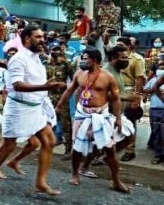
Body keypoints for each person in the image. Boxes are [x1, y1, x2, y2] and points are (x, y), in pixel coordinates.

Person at [0, 25, 66, 195]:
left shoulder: (36, 58)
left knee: (49, 141)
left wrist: (49, 86)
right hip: (19, 108)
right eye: (38, 37)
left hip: (36, 108)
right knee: (9, 144)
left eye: (43, 36)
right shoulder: (18, 59)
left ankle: (40, 182)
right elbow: (17, 85)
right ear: (27, 39)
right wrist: (44, 86)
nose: (42, 40)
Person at [56, 47, 135, 191]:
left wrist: (117, 118)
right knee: (77, 148)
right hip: (82, 114)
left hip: (100, 115)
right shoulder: (79, 73)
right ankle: (75, 174)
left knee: (110, 149)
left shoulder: (107, 77)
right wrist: (59, 106)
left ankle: (116, 181)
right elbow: (69, 90)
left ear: (95, 60)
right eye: (83, 58)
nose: (83, 61)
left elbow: (116, 99)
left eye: (86, 58)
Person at [115, 37, 145, 161]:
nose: (117, 47)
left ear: (128, 46)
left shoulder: (137, 59)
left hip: (128, 91)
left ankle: (130, 150)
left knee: (129, 121)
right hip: (116, 92)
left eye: (120, 45)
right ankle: (116, 145)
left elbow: (140, 79)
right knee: (115, 120)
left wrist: (136, 99)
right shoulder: (115, 58)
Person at [45, 44, 74, 159]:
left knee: (66, 123)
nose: (55, 52)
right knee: (48, 122)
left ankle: (68, 149)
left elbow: (74, 81)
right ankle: (47, 145)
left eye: (57, 50)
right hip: (49, 97)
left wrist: (65, 85)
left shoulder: (66, 64)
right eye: (53, 49)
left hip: (62, 97)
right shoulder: (46, 64)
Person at [143, 61, 164, 165]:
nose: (162, 69)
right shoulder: (154, 80)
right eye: (160, 67)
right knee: (156, 132)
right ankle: (158, 154)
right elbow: (144, 89)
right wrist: (154, 90)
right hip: (155, 109)